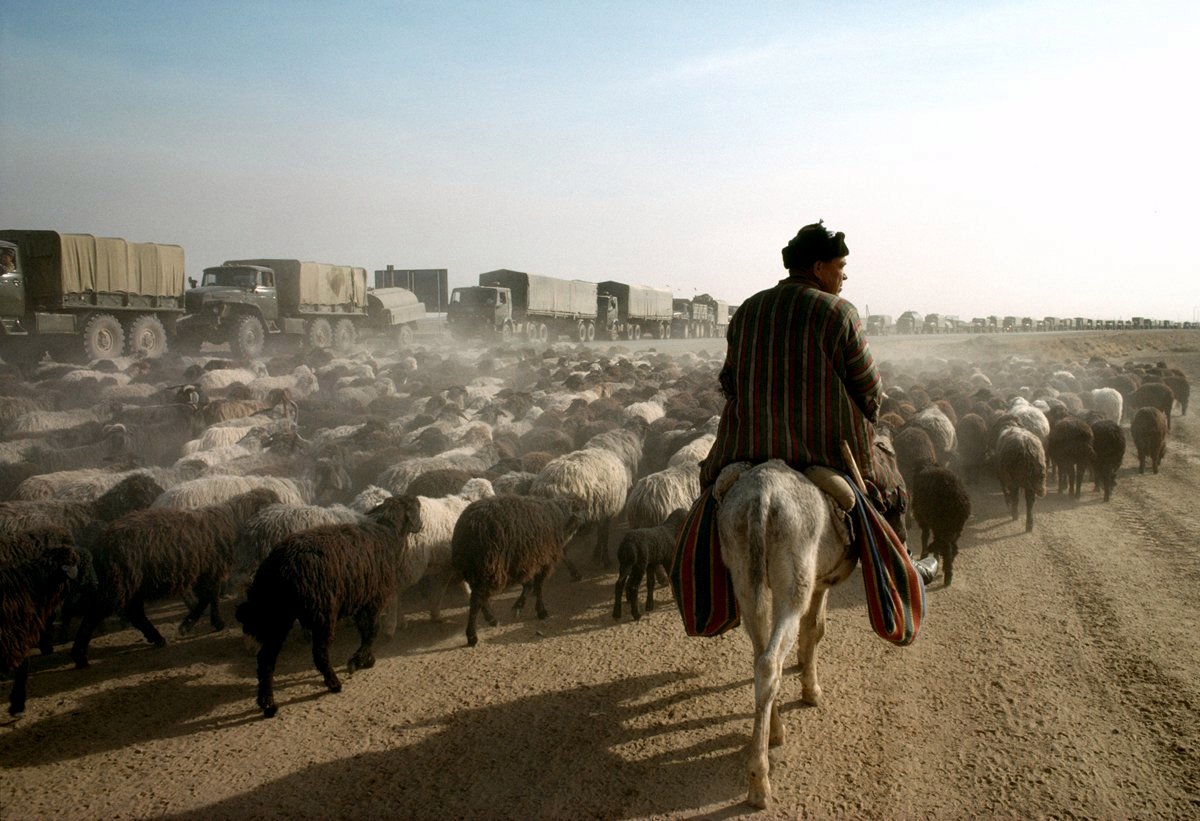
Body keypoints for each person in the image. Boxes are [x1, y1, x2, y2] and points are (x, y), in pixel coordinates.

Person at [698, 221, 938, 582]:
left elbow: (728, 381)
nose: (844, 277)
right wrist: (864, 418)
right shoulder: (840, 313)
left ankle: (698, 573)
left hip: (748, 444)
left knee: (708, 490)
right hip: (826, 448)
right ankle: (902, 569)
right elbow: (870, 388)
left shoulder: (747, 310)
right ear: (818, 268)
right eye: (840, 268)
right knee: (889, 480)